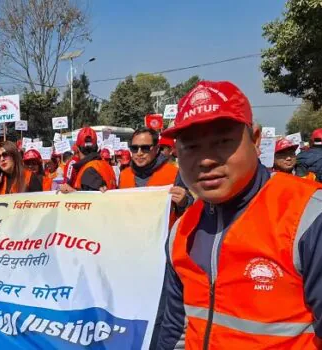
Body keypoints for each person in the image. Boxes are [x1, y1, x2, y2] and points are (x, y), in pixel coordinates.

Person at [157, 81, 322, 349]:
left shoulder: (309, 217)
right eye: (191, 147)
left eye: (222, 141)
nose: (206, 160)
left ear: (255, 140)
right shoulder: (181, 230)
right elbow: (176, 330)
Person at [119, 128, 191, 220]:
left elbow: (188, 211)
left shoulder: (174, 173)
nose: (139, 153)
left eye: (145, 148)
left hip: (164, 233)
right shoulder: (124, 174)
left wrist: (184, 202)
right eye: (134, 148)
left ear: (156, 149)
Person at [59, 127, 116, 192]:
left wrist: (73, 192)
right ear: (96, 147)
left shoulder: (88, 170)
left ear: (77, 149)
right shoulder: (107, 166)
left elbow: (88, 200)